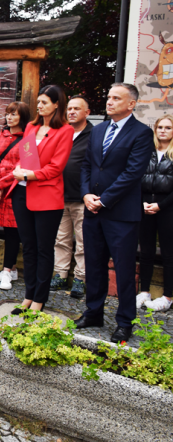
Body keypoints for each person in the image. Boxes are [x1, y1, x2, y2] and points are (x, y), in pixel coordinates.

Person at [76, 83, 154, 343]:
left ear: (131, 104)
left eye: (116, 98)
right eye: (108, 97)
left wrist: (104, 200)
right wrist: (86, 194)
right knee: (94, 265)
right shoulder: (98, 131)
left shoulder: (141, 133)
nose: (109, 102)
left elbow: (132, 173)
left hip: (121, 214)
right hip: (93, 211)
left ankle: (124, 322)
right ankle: (93, 312)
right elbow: (87, 165)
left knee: (122, 270)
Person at [8, 85, 74, 314]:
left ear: (57, 104)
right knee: (28, 247)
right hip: (22, 192)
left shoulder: (65, 130)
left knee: (44, 249)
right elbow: (25, 157)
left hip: (47, 195)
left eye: (44, 102)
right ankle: (28, 295)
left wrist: (27, 174)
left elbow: (56, 168)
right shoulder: (31, 126)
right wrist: (21, 170)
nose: (39, 106)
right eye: (38, 102)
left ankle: (39, 299)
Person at [51, 96, 93, 299]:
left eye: (77, 108)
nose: (72, 112)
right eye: (69, 108)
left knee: (83, 241)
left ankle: (80, 278)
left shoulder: (94, 134)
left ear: (88, 112)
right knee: (61, 239)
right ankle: (60, 274)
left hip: (82, 197)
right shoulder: (61, 132)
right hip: (59, 195)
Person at [0, 102, 30, 290]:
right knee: (7, 229)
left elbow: (22, 166)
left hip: (16, 187)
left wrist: (1, 184)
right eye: (8, 114)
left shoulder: (28, 139)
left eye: (14, 114)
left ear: (23, 117)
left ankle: (6, 271)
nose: (9, 117)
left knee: (14, 230)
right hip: (0, 189)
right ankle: (11, 269)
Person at [137, 115, 173, 312]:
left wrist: (161, 205)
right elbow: (137, 177)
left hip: (167, 208)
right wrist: (143, 201)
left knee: (168, 253)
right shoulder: (147, 152)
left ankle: (167, 296)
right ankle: (144, 292)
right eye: (160, 127)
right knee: (146, 251)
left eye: (168, 127)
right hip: (145, 206)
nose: (163, 131)